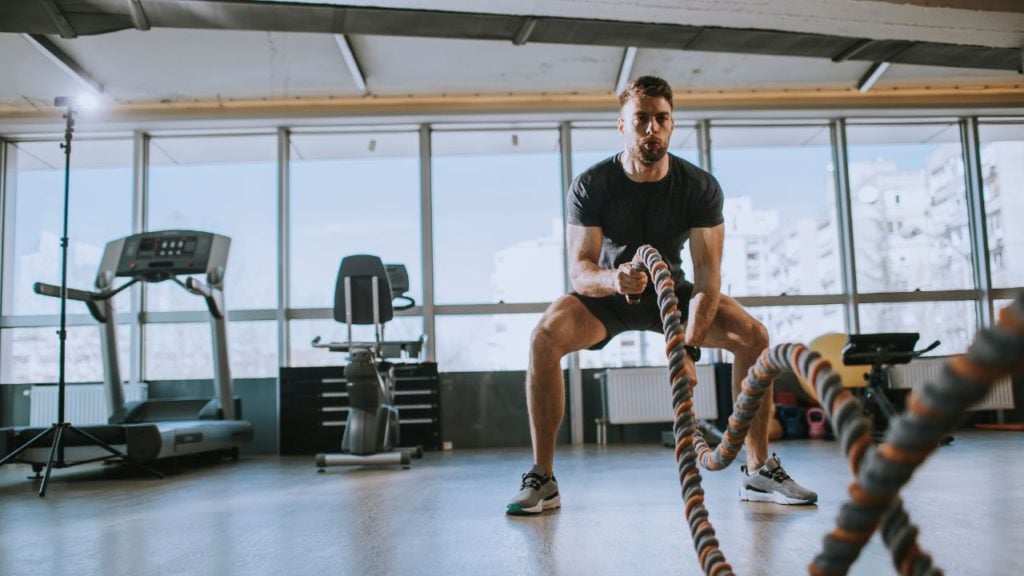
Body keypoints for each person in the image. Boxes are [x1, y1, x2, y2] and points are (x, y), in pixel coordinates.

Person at [506, 76, 817, 515]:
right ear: (622, 126)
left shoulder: (699, 187)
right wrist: (616, 280)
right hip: (610, 292)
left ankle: (758, 470)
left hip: (672, 293)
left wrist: (687, 347)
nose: (652, 128)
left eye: (661, 119)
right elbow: (580, 271)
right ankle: (543, 476)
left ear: (672, 125)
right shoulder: (592, 184)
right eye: (641, 119)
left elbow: (708, 279)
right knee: (544, 337)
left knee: (754, 336)